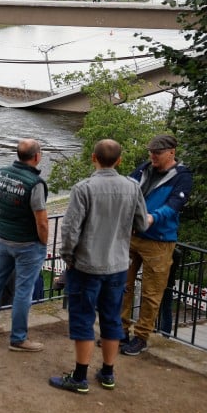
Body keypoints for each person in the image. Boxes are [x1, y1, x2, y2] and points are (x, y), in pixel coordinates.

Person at [49, 140, 150, 394]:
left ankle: (80, 376)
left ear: (94, 158)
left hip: (86, 265)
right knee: (111, 318)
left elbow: (70, 229)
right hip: (117, 265)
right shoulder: (132, 187)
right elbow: (142, 223)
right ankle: (107, 373)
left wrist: (68, 256)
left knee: (83, 318)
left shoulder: (84, 188)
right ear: (120, 160)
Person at [121, 134, 193, 356]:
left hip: (159, 242)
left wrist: (151, 218)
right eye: (151, 152)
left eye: (157, 152)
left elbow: (174, 204)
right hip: (133, 236)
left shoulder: (182, 177)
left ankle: (140, 337)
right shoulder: (144, 168)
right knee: (122, 285)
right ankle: (119, 330)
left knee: (152, 293)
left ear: (171, 152)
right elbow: (127, 187)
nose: (152, 155)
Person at [0, 139, 50, 352]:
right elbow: (42, 220)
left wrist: (7, 224)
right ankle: (18, 338)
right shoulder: (35, 183)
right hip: (28, 243)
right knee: (23, 291)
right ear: (36, 157)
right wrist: (42, 242)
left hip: (4, 238)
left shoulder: (1, 173)